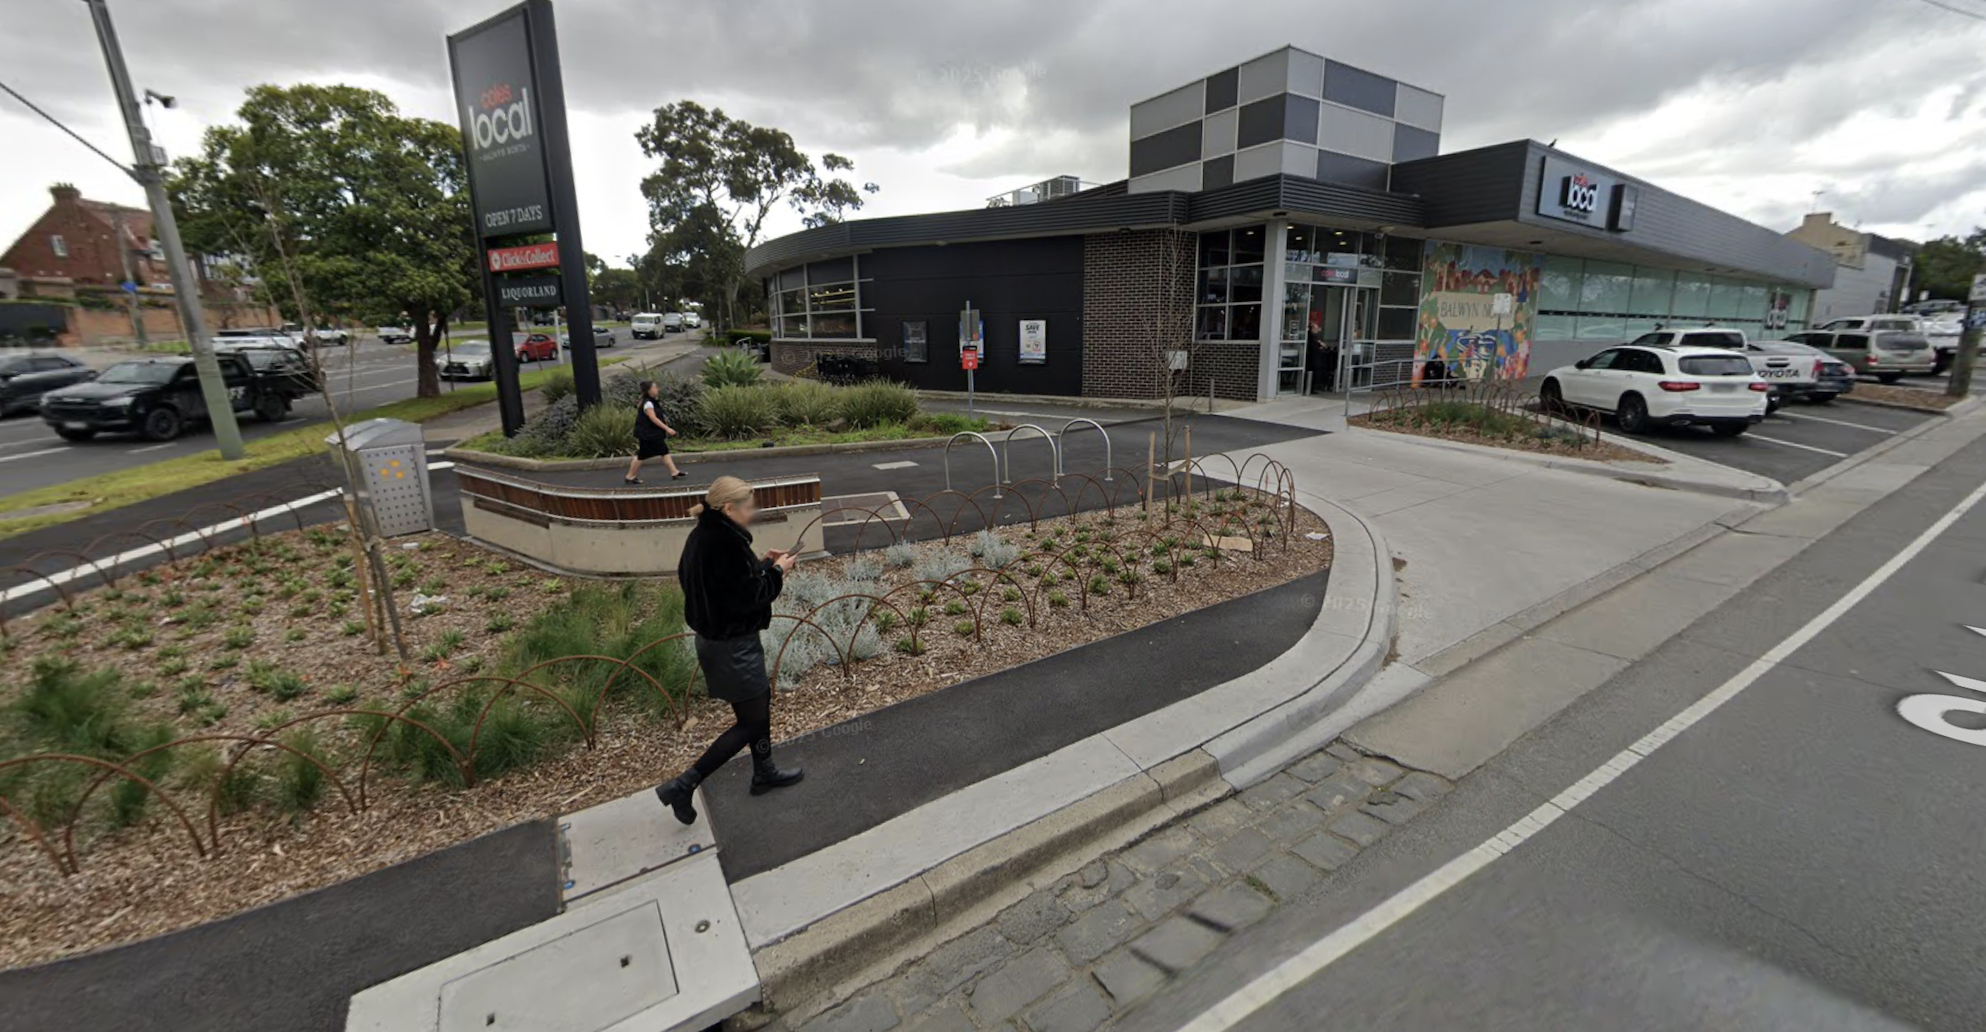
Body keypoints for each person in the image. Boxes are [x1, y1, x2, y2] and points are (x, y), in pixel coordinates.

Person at [654, 476, 803, 825]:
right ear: (729, 508)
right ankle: (684, 784)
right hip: (734, 647)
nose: (753, 513)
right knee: (751, 723)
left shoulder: (704, 536)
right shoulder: (724, 544)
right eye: (748, 507)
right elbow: (751, 597)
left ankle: (763, 771)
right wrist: (779, 572)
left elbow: (726, 589)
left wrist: (763, 565)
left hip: (717, 642)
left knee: (757, 709)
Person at [625, 380, 685, 485]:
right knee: (642, 454)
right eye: (655, 387)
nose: (657, 389)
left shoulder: (650, 402)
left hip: (651, 433)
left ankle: (674, 472)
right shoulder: (648, 403)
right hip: (648, 434)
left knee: (663, 450)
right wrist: (667, 429)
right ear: (649, 390)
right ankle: (630, 476)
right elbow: (653, 418)